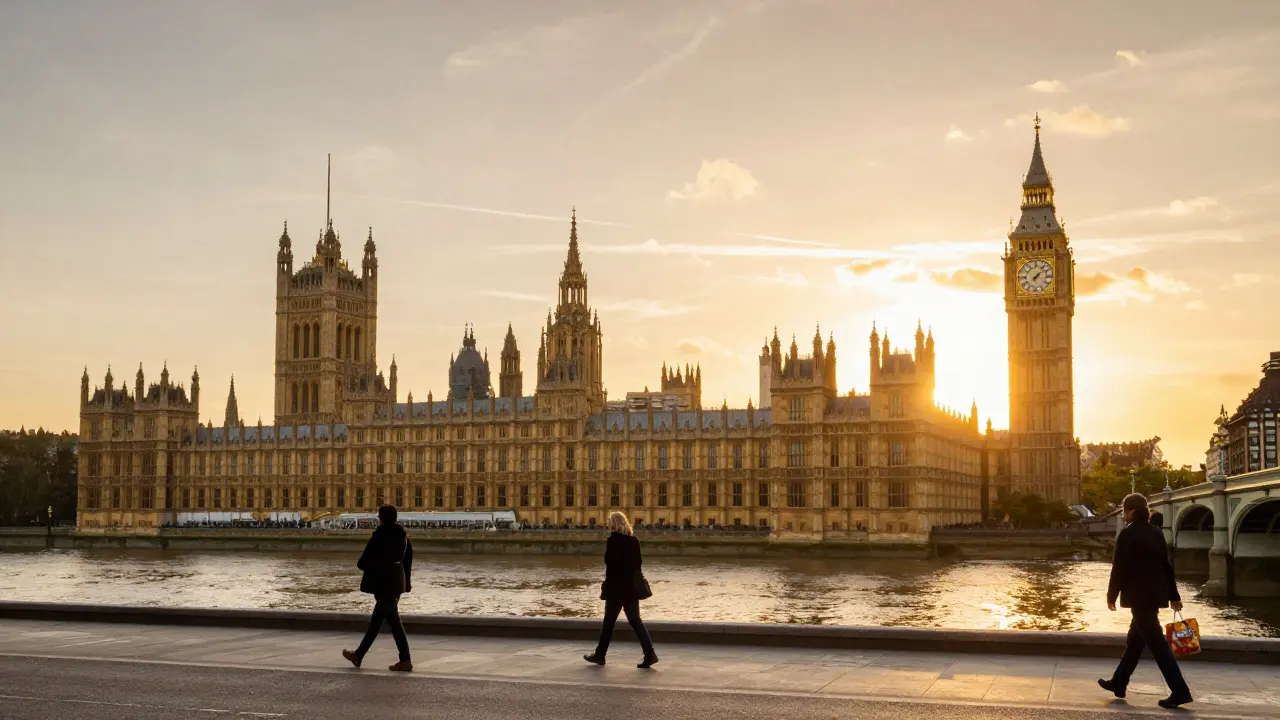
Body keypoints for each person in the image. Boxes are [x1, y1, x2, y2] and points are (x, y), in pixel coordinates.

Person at [1099, 493, 1193, 709]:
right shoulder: (1156, 532)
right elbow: (1166, 566)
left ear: (1131, 511)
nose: (1124, 514)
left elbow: (1119, 568)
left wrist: (1111, 596)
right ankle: (1119, 682)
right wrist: (1174, 596)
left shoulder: (1127, 534)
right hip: (1156, 594)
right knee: (1135, 642)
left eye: (1125, 510)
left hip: (1138, 596)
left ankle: (1180, 691)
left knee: (1158, 645)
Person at [343, 504, 414, 672]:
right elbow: (408, 563)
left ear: (381, 519)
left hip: (383, 584)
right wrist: (407, 584)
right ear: (396, 519)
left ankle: (404, 660)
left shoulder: (379, 536)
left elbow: (362, 563)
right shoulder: (404, 537)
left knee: (388, 623)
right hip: (397, 583)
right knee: (384, 621)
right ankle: (360, 655)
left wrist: (376, 566)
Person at [583, 511, 659, 668]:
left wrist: (607, 587)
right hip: (631, 589)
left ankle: (600, 655)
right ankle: (650, 654)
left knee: (608, 624)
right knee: (636, 622)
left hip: (616, 589)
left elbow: (610, 565)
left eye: (610, 522)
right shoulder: (634, 540)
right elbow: (638, 564)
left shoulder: (613, 540)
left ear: (614, 524)